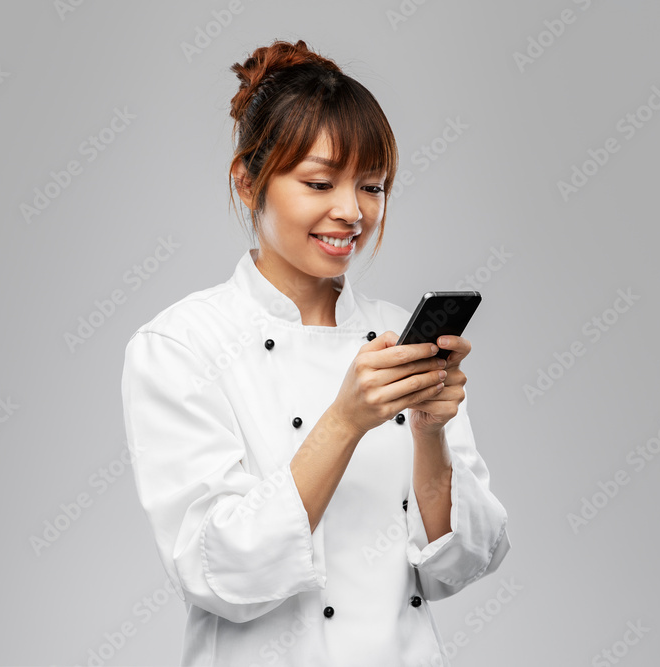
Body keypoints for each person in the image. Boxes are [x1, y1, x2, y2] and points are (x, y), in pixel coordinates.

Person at [120, 38, 510, 667]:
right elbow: (220, 574)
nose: (352, 212)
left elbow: (460, 567)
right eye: (320, 182)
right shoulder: (181, 345)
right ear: (248, 182)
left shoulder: (394, 338)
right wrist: (344, 420)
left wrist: (430, 433)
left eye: (373, 187)